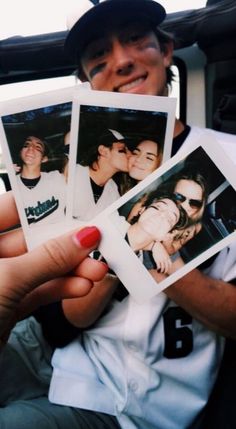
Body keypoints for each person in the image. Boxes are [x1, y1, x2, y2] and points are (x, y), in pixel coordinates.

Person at [1, 1, 236, 429]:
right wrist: (108, 243)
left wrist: (149, 248)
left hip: (136, 401)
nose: (122, 61)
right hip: (66, 356)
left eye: (134, 39)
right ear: (86, 83)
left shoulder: (229, 158)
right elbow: (65, 321)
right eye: (98, 58)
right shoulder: (89, 173)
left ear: (166, 51)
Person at [73, 128, 129, 221]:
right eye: (122, 150)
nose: (130, 155)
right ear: (103, 151)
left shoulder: (113, 192)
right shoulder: (72, 175)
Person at [15, 135, 66, 225]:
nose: (31, 147)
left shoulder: (56, 178)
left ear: (44, 159)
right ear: (20, 152)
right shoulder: (10, 184)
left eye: (38, 147)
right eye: (27, 144)